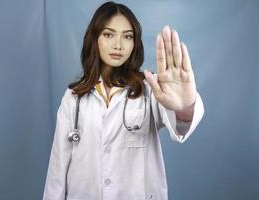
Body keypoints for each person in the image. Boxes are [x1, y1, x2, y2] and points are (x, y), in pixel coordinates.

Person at [43, 1, 204, 200]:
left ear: (134, 43)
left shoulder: (150, 89)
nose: (118, 45)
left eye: (127, 36)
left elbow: (180, 125)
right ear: (95, 38)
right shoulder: (73, 97)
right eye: (108, 34)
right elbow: (58, 169)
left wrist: (185, 107)